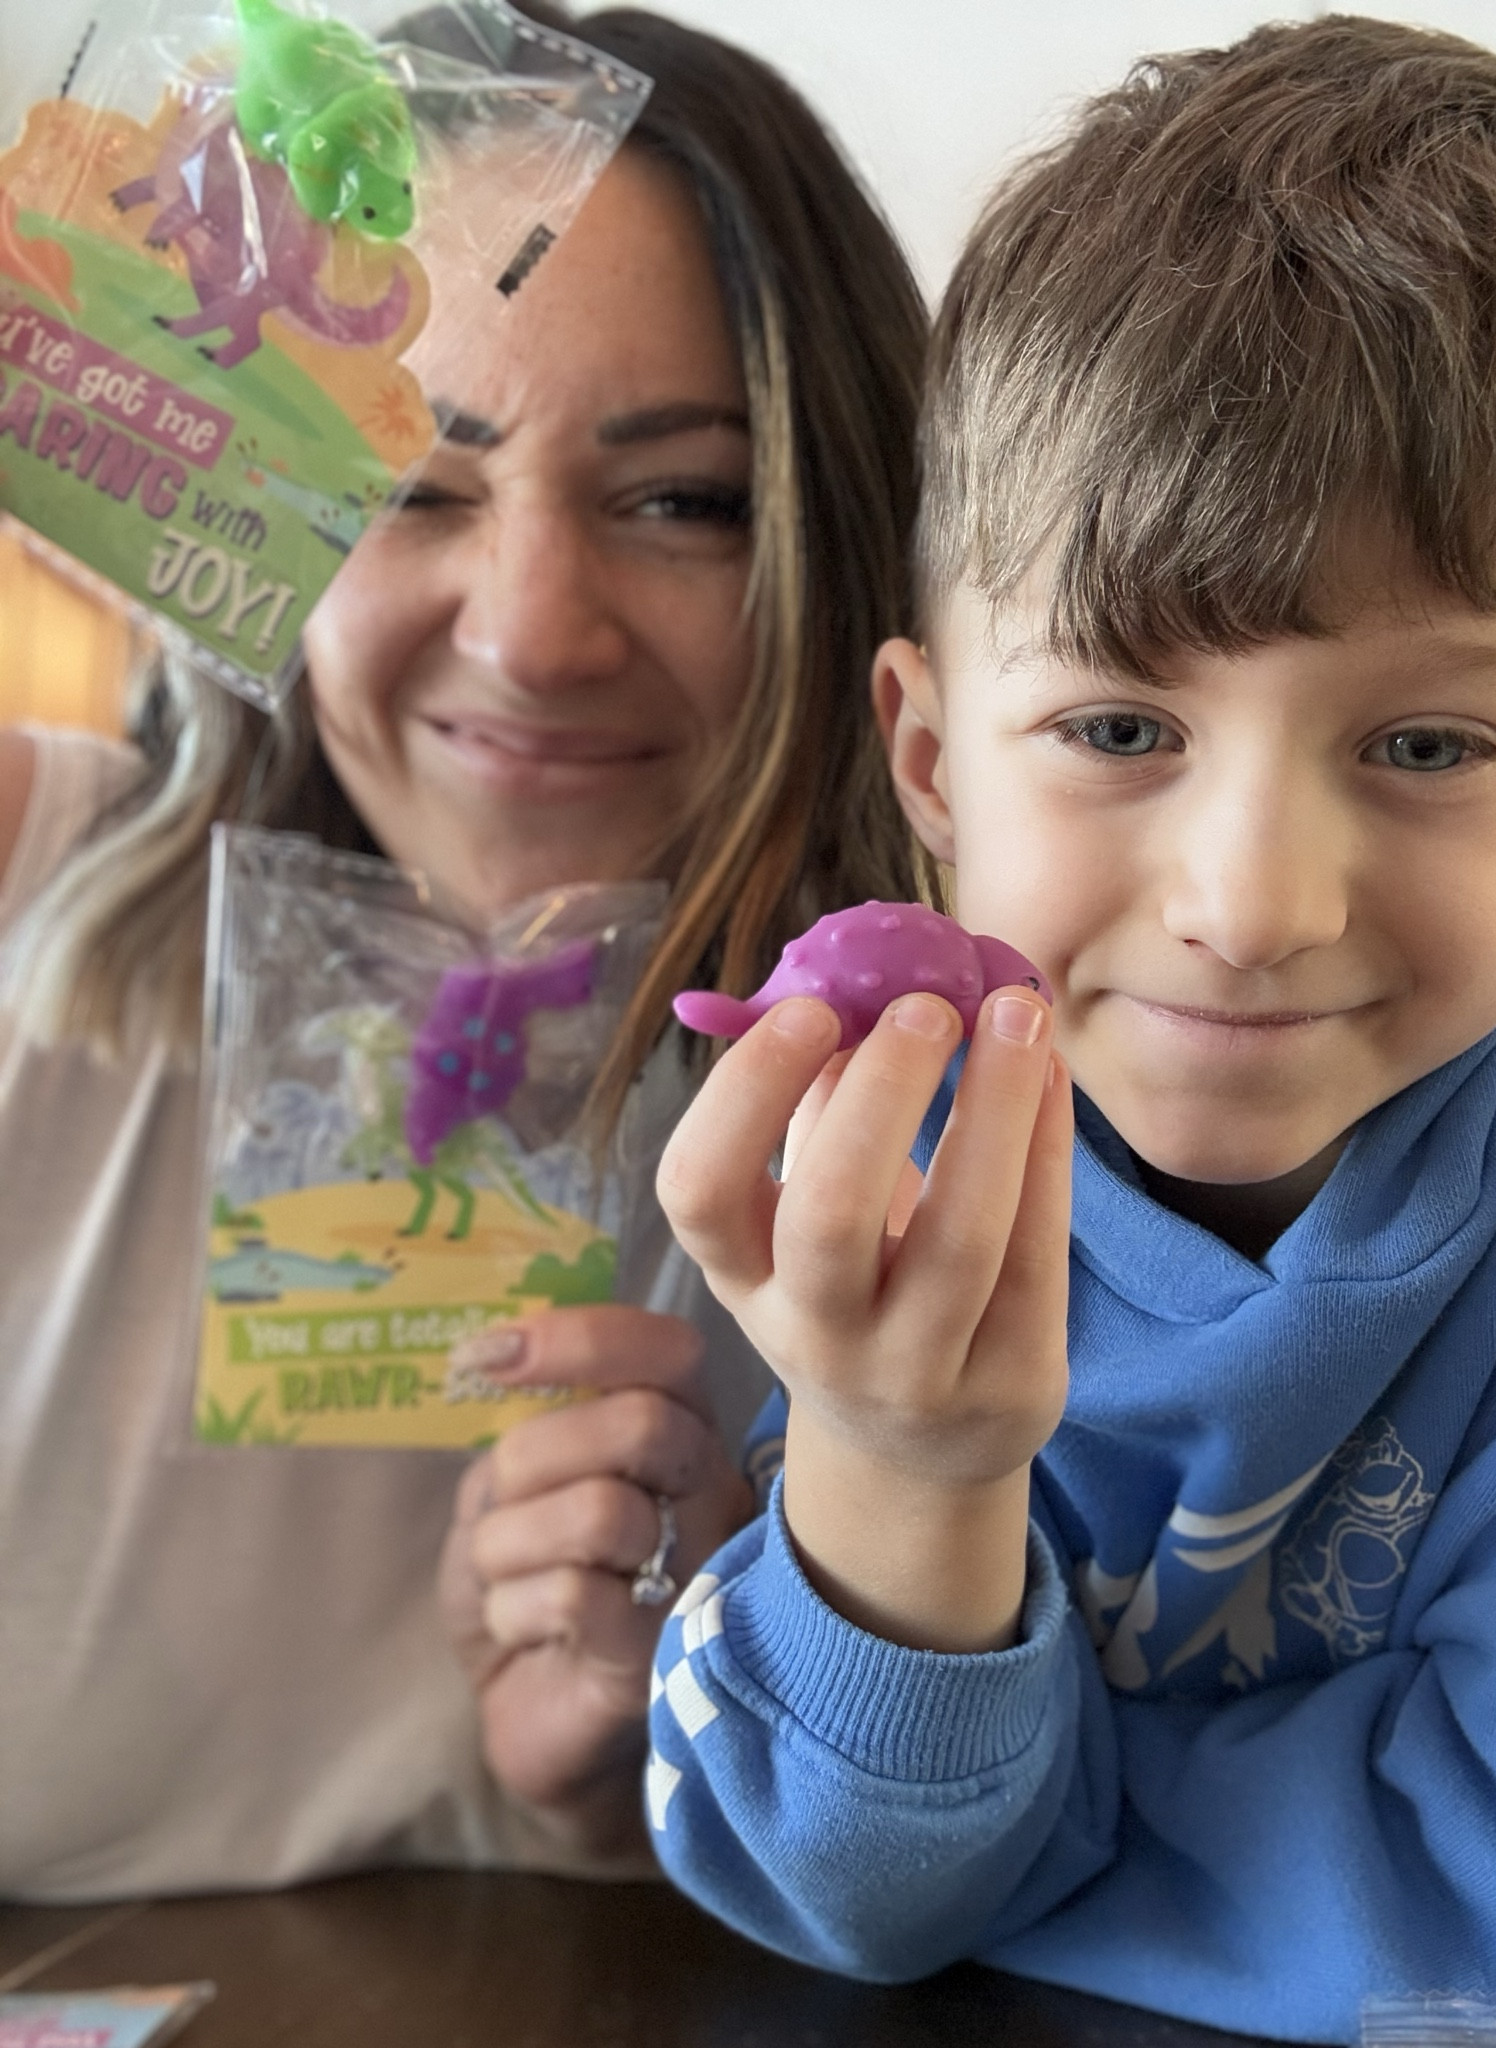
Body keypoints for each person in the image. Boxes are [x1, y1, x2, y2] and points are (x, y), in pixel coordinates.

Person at [645, 19, 1496, 2042]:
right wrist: (902, 1455)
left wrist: (1068, 1820)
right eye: (1117, 728)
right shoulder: (877, 1178)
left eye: (1431, 741)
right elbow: (848, 1887)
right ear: (931, 759)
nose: (1253, 905)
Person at [0, 7, 923, 1894]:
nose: (533, 633)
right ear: (244, 513)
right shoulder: (26, 881)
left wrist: (650, 1747)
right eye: (414, 485)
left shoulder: (923, 1132)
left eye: (683, 501)